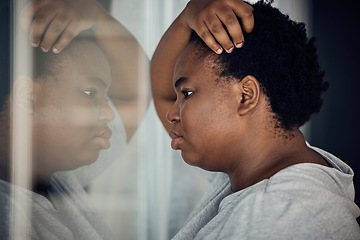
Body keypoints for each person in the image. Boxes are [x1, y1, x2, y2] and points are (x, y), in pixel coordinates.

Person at [151, 0, 360, 239]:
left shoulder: (281, 216)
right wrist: (186, 17)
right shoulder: (250, 169)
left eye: (187, 93)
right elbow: (163, 94)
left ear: (245, 96)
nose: (172, 113)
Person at [0, 0, 148, 239]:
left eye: (106, 96)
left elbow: (136, 94)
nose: (109, 113)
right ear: (27, 97)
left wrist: (94, 15)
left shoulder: (57, 177)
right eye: (90, 93)